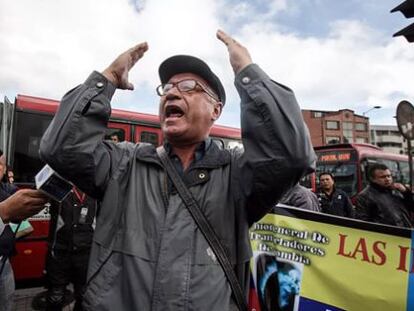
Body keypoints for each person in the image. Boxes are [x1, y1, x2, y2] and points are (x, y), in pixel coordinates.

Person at [39, 30, 315, 310]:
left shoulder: (236, 174)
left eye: (187, 86)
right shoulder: (125, 164)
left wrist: (247, 73)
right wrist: (107, 78)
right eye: (167, 88)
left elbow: (291, 156)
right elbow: (61, 149)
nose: (171, 91)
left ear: (215, 110)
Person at [45, 187, 97, 310]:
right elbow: (40, 186)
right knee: (55, 297)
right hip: (59, 253)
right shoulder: (60, 187)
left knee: (84, 297)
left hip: (86, 253)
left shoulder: (94, 189)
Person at [0, 190, 48, 311]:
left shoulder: (7, 190)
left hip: (3, 261)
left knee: (6, 302)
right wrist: (3, 211)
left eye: (2, 168)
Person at [354, 163, 414, 228]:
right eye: (383, 177)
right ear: (373, 179)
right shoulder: (365, 196)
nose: (387, 179)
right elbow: (362, 222)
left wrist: (406, 192)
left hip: (407, 234)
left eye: (389, 176)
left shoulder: (397, 191)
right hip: (386, 236)